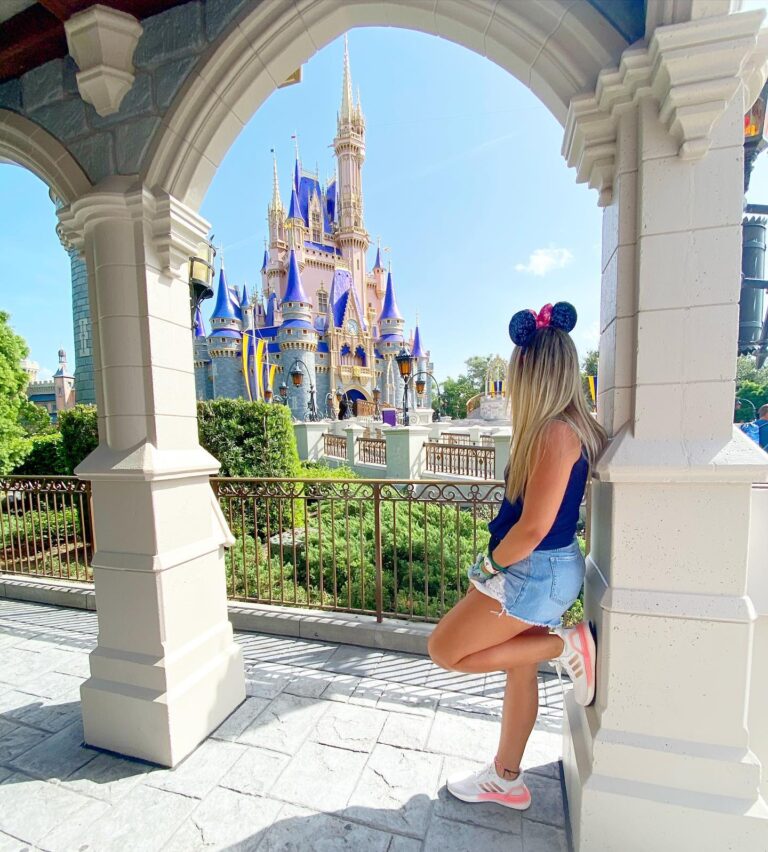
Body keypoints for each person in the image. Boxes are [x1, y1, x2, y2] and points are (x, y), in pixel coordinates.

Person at [428, 301, 607, 812]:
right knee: (518, 669)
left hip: (535, 571)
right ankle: (506, 778)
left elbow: (531, 529)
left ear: (532, 375)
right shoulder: (570, 428)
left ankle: (563, 645)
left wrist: (486, 569)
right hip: (549, 570)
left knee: (444, 650)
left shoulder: (555, 432)